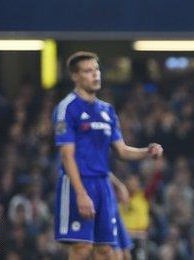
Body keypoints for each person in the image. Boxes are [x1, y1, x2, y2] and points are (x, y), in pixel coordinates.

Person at [53, 51, 163, 259]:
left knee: (105, 249)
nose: (95, 75)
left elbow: (121, 150)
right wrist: (81, 193)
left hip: (103, 185)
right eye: (88, 71)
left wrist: (146, 151)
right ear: (75, 76)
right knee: (81, 247)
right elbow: (67, 156)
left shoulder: (107, 110)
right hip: (78, 183)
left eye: (96, 69)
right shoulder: (67, 108)